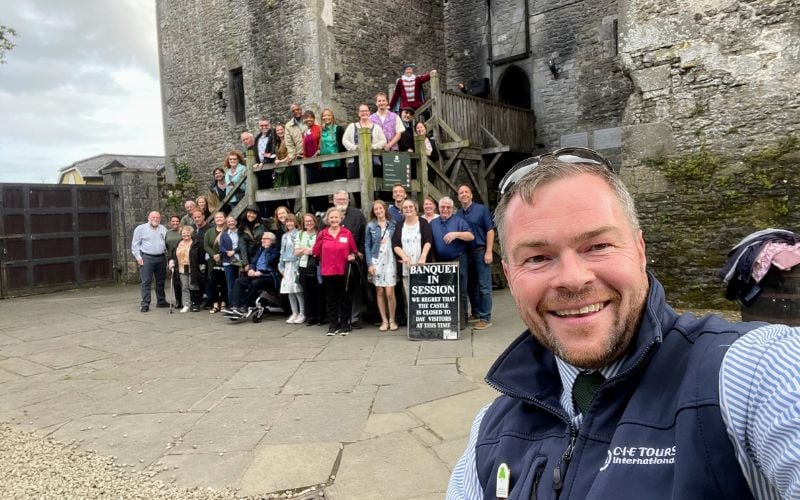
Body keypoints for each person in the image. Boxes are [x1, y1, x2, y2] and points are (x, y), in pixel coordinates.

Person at [446, 151, 800, 499]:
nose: (572, 279)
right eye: (538, 257)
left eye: (598, 245)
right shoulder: (489, 434)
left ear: (640, 249)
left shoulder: (752, 372)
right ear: (509, 275)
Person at [429, 196, 473, 330]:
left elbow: (471, 236)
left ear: (452, 208)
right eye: (443, 207)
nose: (445, 209)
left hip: (458, 259)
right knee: (444, 292)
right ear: (439, 208)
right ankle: (447, 319)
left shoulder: (459, 220)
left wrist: (455, 234)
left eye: (448, 207)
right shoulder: (433, 222)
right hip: (440, 262)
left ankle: (463, 319)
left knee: (461, 290)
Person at [313, 207, 358, 336]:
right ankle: (333, 325)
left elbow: (353, 250)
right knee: (331, 299)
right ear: (327, 219)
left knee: (344, 298)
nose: (334, 219)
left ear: (340, 219)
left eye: (336, 217)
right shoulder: (322, 234)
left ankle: (345, 324)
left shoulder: (347, 233)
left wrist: (352, 256)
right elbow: (316, 251)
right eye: (331, 217)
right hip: (328, 271)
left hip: (343, 270)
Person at [457, 184, 494, 330]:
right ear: (458, 197)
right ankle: (476, 312)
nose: (464, 194)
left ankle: (485, 318)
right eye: (461, 192)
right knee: (471, 286)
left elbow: (490, 231)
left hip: (480, 251)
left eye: (466, 192)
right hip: (466, 254)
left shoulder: (481, 209)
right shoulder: (458, 214)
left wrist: (489, 251)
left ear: (471, 195)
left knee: (484, 286)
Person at [331, 190, 367, 328]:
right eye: (339, 199)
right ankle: (340, 317)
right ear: (334, 201)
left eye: (344, 199)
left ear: (348, 200)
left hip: (353, 259)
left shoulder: (357, 215)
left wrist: (360, 253)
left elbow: (364, 236)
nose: (341, 201)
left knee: (354, 289)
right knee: (337, 289)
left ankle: (355, 317)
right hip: (334, 262)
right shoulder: (329, 215)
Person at [225, 231, 280, 316]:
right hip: (256, 275)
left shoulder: (275, 250)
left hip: (270, 276)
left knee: (255, 283)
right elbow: (253, 262)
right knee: (239, 281)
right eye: (262, 239)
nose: (262, 240)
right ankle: (236, 306)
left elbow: (272, 262)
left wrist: (268, 249)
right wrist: (251, 269)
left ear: (271, 240)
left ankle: (246, 306)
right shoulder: (261, 249)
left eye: (264, 239)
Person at [392, 199, 433, 305]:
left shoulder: (423, 222)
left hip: (422, 264)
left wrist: (423, 256)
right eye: (405, 207)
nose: (408, 209)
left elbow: (428, 240)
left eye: (410, 206)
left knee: (425, 294)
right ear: (402, 210)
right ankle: (413, 319)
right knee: (410, 295)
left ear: (415, 208)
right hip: (407, 266)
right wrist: (404, 257)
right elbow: (395, 245)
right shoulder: (399, 225)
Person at [365, 200, 398, 331]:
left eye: (380, 208)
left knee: (390, 292)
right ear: (373, 212)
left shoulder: (393, 223)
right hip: (376, 259)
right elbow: (367, 245)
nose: (378, 211)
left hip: (390, 259)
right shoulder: (370, 226)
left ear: (385, 209)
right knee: (379, 291)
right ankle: (384, 320)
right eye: (376, 209)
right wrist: (369, 264)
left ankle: (392, 319)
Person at [131, 211, 168, 312]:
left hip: (161, 257)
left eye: (157, 218)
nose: (155, 219)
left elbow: (167, 242)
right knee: (146, 281)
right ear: (149, 218)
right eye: (153, 217)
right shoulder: (140, 229)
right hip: (147, 257)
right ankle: (145, 303)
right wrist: (138, 257)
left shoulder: (163, 228)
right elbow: (135, 244)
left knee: (160, 281)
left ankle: (161, 301)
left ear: (160, 219)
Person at [342, 103, 387, 179]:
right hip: (355, 160)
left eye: (366, 111)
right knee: (355, 182)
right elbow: (345, 140)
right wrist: (354, 147)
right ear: (358, 113)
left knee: (373, 182)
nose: (364, 113)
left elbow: (383, 141)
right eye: (362, 111)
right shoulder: (352, 126)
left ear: (369, 113)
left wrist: (372, 146)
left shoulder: (376, 127)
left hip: (373, 159)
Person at [167, 225, 203, 313]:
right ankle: (186, 304)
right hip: (181, 268)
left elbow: (201, 256)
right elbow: (173, 254)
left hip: (193, 267)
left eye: (187, 233)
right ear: (181, 234)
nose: (185, 235)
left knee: (193, 285)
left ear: (191, 234)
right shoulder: (178, 243)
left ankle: (195, 303)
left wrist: (202, 267)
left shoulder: (196, 243)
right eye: (183, 233)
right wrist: (171, 261)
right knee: (185, 287)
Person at [278, 213, 304, 324]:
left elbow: (299, 251)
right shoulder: (284, 236)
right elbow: (282, 251)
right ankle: (294, 312)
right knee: (289, 291)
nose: (289, 223)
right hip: (286, 264)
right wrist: (281, 266)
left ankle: (302, 313)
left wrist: (298, 267)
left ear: (295, 222)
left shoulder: (299, 234)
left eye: (291, 221)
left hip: (295, 264)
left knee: (297, 290)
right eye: (287, 221)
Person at [204, 211, 228, 314]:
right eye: (217, 217)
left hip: (225, 260)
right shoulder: (209, 232)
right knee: (212, 282)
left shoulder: (227, 231)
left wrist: (220, 255)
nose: (218, 219)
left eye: (221, 217)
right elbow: (206, 245)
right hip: (212, 261)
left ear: (225, 218)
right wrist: (213, 255)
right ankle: (214, 304)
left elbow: (230, 246)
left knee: (223, 283)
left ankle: (223, 303)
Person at [219, 215, 242, 304]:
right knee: (231, 284)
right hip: (228, 261)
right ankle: (232, 304)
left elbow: (242, 245)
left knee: (239, 282)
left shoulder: (240, 232)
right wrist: (227, 252)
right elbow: (221, 247)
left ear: (236, 222)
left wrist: (234, 251)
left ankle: (240, 303)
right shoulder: (224, 234)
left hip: (239, 260)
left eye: (232, 221)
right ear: (226, 223)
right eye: (229, 222)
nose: (231, 223)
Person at [319, 108, 345, 181]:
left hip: (336, 163)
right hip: (324, 163)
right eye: (324, 115)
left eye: (328, 115)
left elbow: (343, 147)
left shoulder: (338, 129)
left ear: (332, 116)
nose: (326, 117)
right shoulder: (321, 131)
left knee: (339, 188)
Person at [239, 205, 266, 274]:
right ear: (246, 213)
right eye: (250, 212)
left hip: (260, 255)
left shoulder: (261, 226)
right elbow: (242, 246)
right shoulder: (242, 227)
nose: (252, 215)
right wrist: (246, 263)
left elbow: (267, 239)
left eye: (254, 213)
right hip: (249, 256)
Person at [164, 215, 183, 307]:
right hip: (172, 257)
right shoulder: (168, 233)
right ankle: (178, 300)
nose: (175, 223)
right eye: (173, 221)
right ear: (170, 222)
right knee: (175, 280)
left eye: (177, 221)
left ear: (179, 222)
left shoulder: (182, 231)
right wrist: (169, 259)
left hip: (182, 258)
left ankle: (186, 300)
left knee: (184, 279)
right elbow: (166, 246)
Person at [253, 118, 276, 190]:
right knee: (262, 190)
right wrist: (256, 162)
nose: (264, 127)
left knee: (273, 190)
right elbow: (256, 153)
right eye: (262, 125)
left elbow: (273, 152)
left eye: (266, 125)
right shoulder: (257, 138)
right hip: (260, 168)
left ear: (270, 125)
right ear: (259, 126)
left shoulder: (273, 136)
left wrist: (264, 162)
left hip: (271, 167)